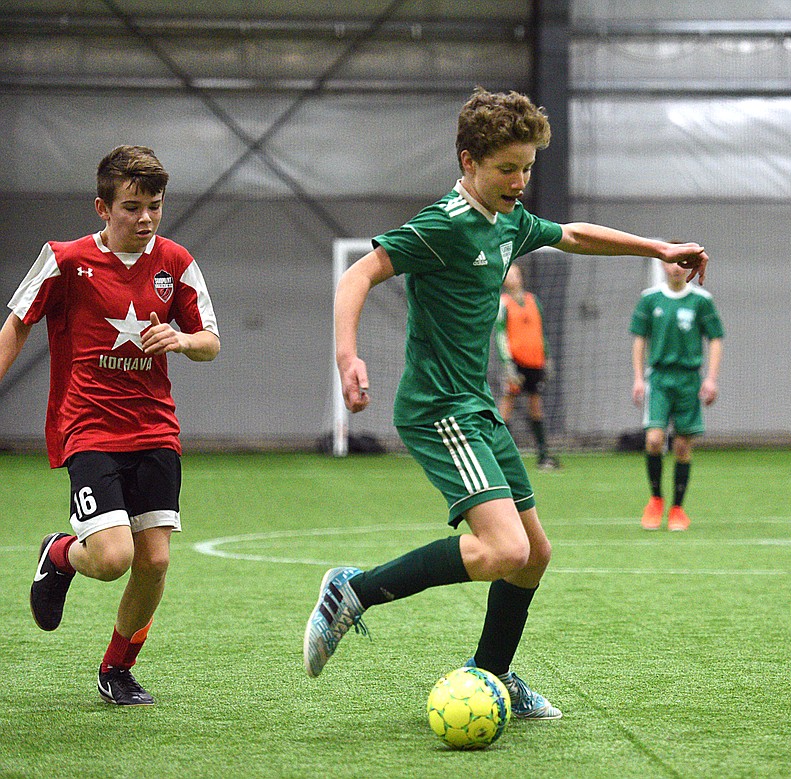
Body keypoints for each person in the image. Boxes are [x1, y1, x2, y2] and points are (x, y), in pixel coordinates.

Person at [302, 87, 709, 720]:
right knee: (505, 552)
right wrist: (347, 356)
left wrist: (657, 249)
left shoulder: (509, 219)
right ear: (468, 162)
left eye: (526, 168)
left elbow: (572, 234)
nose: (519, 181)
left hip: (477, 408)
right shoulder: (443, 223)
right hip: (438, 408)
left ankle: (491, 673)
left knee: (535, 554)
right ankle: (351, 591)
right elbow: (360, 275)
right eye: (506, 169)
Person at [1, 145, 221, 706]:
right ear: (102, 207)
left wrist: (183, 339)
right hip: (89, 426)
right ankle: (60, 556)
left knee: (154, 560)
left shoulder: (176, 262)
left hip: (155, 428)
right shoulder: (65, 259)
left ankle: (116, 670)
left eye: (154, 206)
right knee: (111, 557)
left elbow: (211, 343)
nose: (145, 219)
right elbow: (17, 324)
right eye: (131, 207)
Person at [631, 259, 724, 531]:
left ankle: (677, 509)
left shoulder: (701, 300)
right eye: (670, 262)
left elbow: (716, 338)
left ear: (690, 268)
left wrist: (711, 379)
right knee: (654, 440)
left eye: (682, 263)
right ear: (662, 266)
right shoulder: (650, 299)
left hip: (688, 379)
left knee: (683, 446)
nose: (675, 268)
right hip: (658, 378)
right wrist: (638, 378)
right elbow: (639, 340)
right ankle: (656, 500)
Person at [495, 262, 560, 470]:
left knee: (536, 407)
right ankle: (497, 455)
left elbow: (541, 332)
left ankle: (543, 456)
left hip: (535, 361)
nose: (513, 278)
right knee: (506, 405)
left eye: (516, 274)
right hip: (516, 363)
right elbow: (500, 335)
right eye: (509, 274)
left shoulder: (533, 301)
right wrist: (508, 365)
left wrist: (547, 357)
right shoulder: (502, 304)